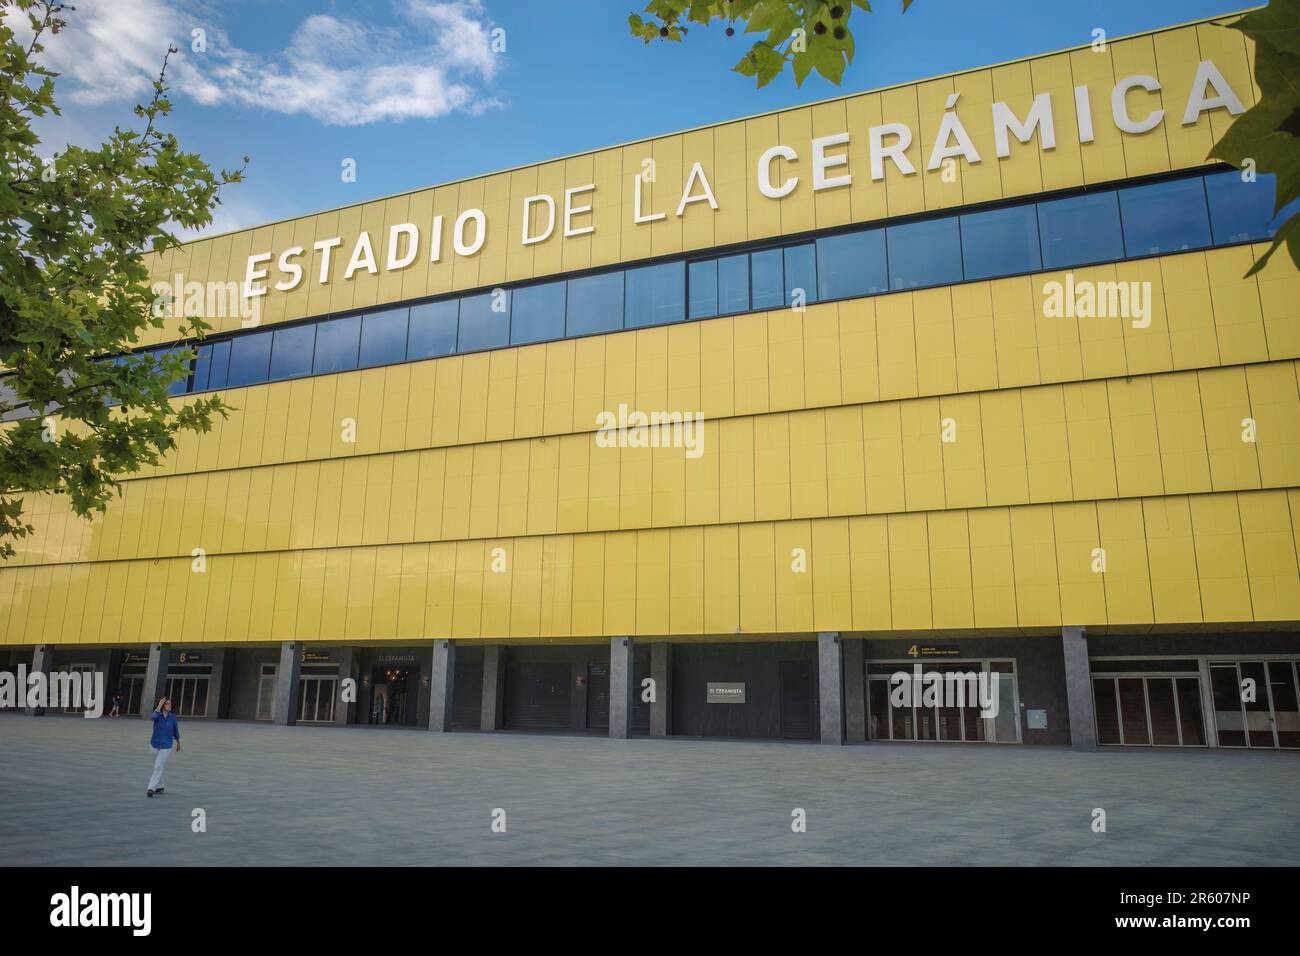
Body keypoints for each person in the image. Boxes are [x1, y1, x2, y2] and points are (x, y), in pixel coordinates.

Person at [146, 696, 180, 797]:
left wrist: (178, 741)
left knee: (158, 766)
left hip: (167, 745)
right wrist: (159, 705)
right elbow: (153, 716)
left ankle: (151, 788)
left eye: (170, 703)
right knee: (157, 767)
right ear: (163, 705)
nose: (170, 705)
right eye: (167, 703)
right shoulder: (158, 716)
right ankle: (160, 786)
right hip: (154, 744)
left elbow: (175, 730)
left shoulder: (172, 717)